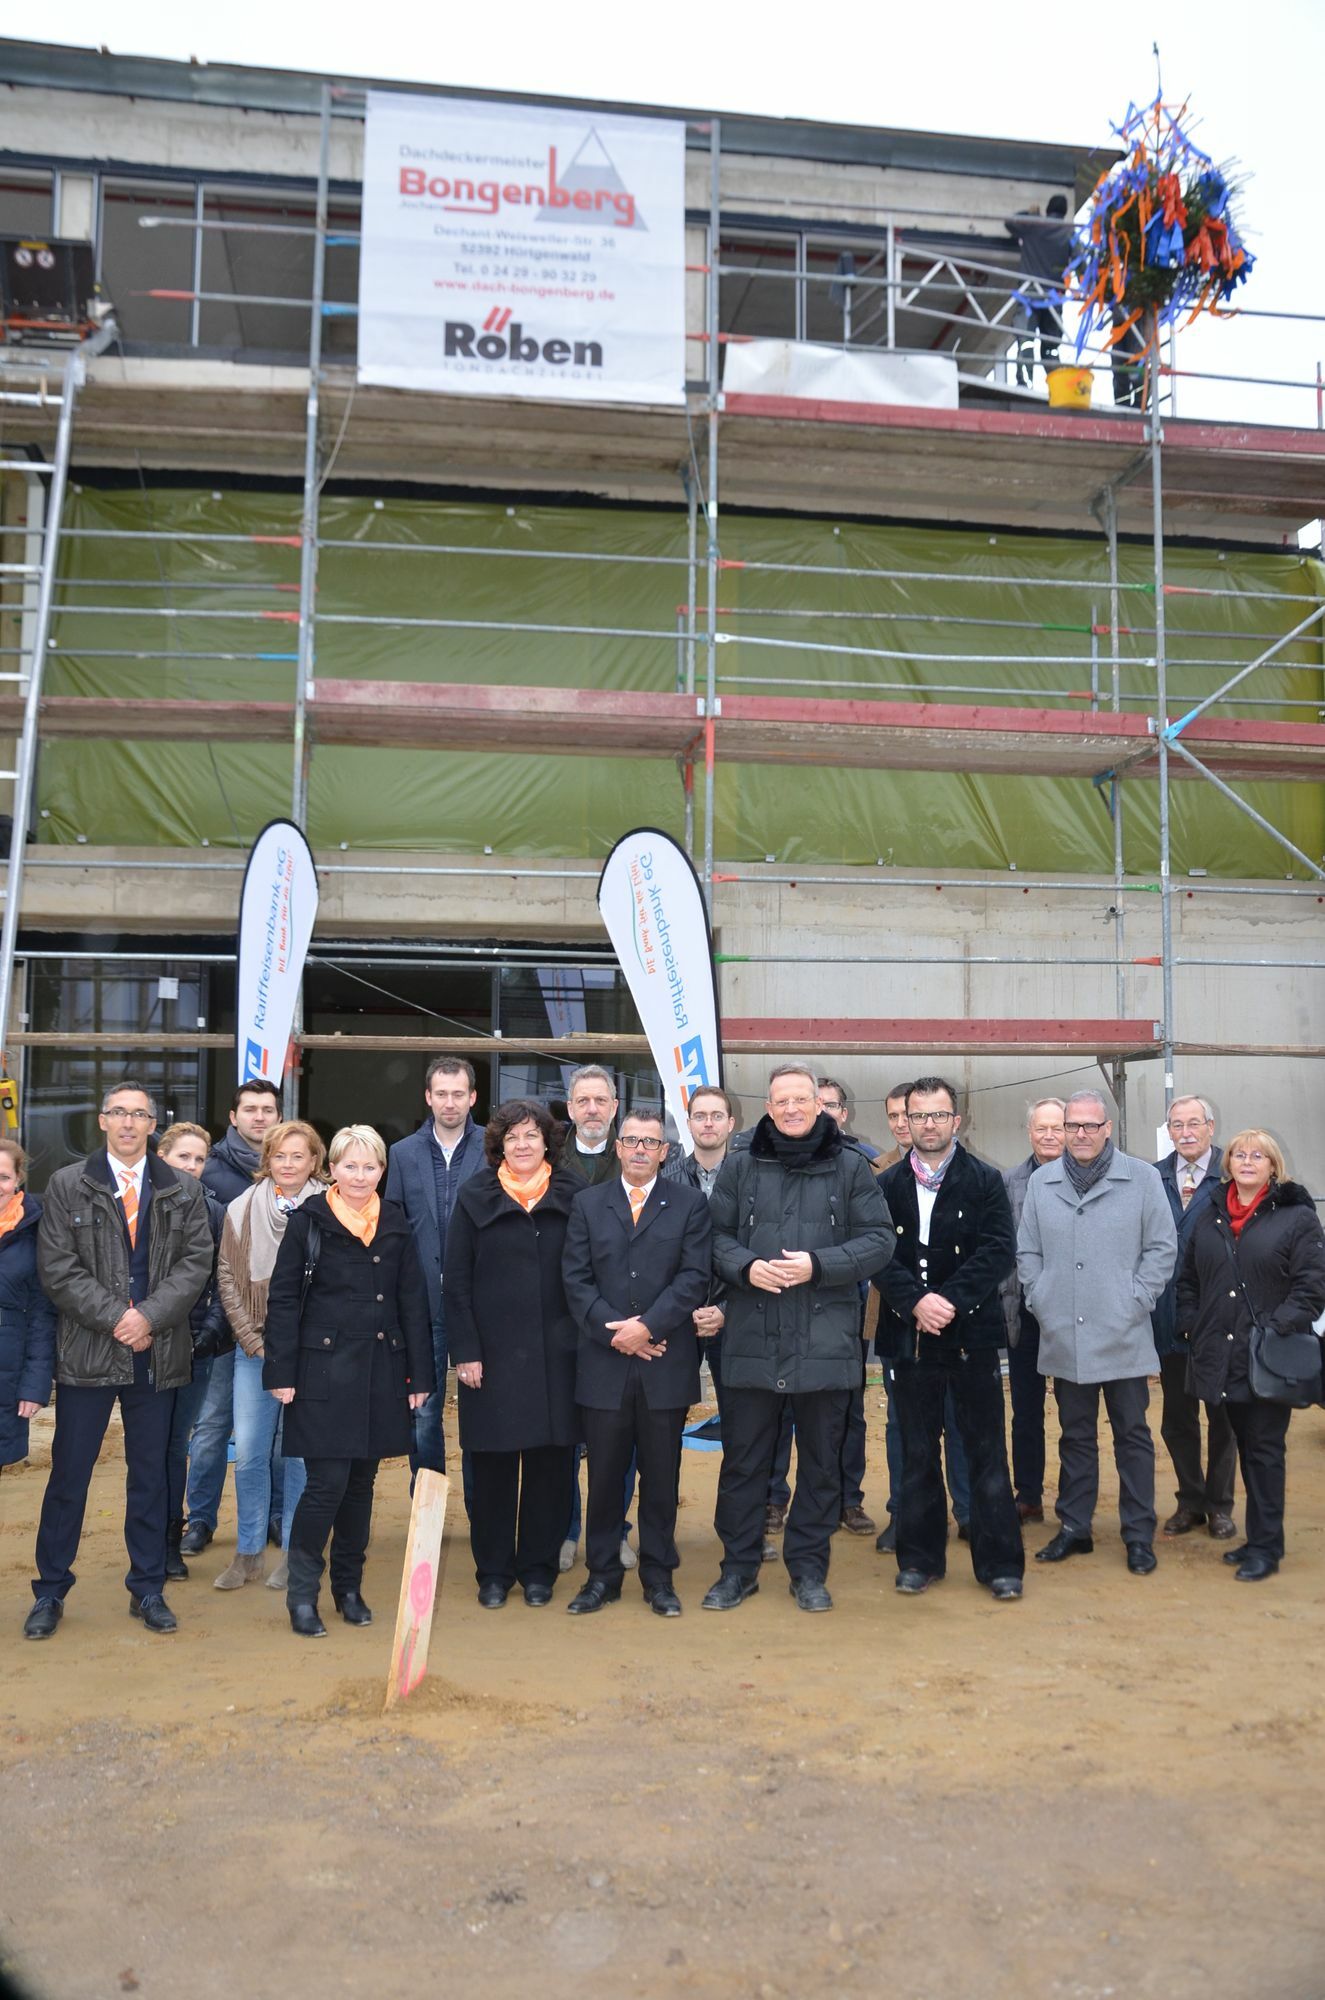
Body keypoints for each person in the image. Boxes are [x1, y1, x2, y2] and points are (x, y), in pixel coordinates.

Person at [25, 1080, 214, 1639]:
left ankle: (148, 1587)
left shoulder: (183, 1189)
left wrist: (148, 1317)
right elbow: (57, 1269)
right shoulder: (67, 1184)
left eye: (139, 1114)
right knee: (70, 1475)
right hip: (88, 1351)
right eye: (118, 1112)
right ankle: (50, 1590)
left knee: (151, 1476)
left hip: (156, 1353)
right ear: (102, 1120)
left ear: (154, 1125)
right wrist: (118, 1318)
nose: (128, 1123)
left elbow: (194, 1264)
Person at [704, 1064, 891, 1614]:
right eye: (781, 1100)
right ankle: (738, 1570)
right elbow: (712, 1236)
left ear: (819, 1105)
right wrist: (745, 1268)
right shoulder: (740, 1165)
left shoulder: (850, 1167)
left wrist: (819, 1265)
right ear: (768, 1107)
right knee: (744, 1464)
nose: (791, 1109)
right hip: (752, 1339)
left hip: (825, 1341)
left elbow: (879, 1240)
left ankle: (808, 1569)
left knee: (820, 1465)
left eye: (800, 1100)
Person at [263, 1124, 433, 1637]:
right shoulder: (308, 1221)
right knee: (326, 1486)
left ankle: (348, 1589)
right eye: (350, 1166)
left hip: (383, 1371)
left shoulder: (396, 1221)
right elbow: (283, 1299)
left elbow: (413, 1301)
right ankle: (301, 1596)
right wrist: (281, 1371)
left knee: (361, 1486)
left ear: (382, 1170)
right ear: (332, 1168)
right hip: (322, 1374)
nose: (360, 1176)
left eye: (370, 1166)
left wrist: (420, 1376)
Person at [874, 1077, 1024, 1601]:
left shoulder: (985, 1180)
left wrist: (949, 1302)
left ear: (956, 1121)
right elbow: (875, 1252)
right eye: (918, 1115)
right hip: (908, 1337)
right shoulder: (885, 1185)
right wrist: (915, 1301)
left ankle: (1000, 1564)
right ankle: (919, 1560)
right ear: (905, 1122)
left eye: (938, 1115)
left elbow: (998, 1250)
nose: (928, 1124)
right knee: (916, 1453)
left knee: (986, 1452)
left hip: (970, 1336)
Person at [1018, 1090, 1177, 1576]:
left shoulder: (1142, 1179)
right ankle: (1075, 1527)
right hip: (1065, 1334)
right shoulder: (1042, 1183)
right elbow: (1028, 1252)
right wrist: (1041, 1299)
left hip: (1124, 1333)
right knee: (1075, 1435)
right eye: (1073, 1126)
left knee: (1132, 1435)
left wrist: (1136, 1300)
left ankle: (1138, 1534)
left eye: (1091, 1125)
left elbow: (1162, 1248)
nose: (1081, 1134)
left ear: (1108, 1128)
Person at [562, 1106, 711, 1616]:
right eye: (631, 1141)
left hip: (664, 1362)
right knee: (604, 1477)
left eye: (651, 1142)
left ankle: (658, 1577)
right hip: (604, 1365)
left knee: (661, 1478)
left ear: (665, 1151)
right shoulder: (588, 1204)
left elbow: (694, 1277)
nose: (640, 1150)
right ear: (618, 1147)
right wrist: (619, 1335)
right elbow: (575, 1280)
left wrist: (647, 1328)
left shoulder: (689, 1204)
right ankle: (601, 1577)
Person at [444, 1099, 580, 1608]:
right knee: (493, 1470)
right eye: (512, 1137)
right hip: (491, 1358)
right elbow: (456, 1281)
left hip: (558, 1356)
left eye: (531, 1135)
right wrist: (466, 1351)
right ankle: (494, 1573)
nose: (522, 1145)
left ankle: (539, 1570)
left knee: (551, 1467)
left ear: (548, 1142)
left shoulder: (574, 1195)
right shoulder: (473, 1196)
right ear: (499, 1145)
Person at [1175, 1129, 1325, 1581]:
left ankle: (1266, 1547)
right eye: (1239, 1154)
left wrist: (1273, 1330)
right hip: (1220, 1356)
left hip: (1267, 1358)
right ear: (1228, 1164)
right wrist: (1191, 1322)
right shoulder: (1211, 1215)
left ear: (1273, 1166)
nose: (1246, 1161)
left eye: (1257, 1156)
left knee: (1264, 1451)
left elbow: (1311, 1288)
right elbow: (1189, 1279)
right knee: (1245, 1445)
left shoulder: (1297, 1218)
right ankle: (1259, 1539)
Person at [215, 1120, 327, 1593]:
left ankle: (296, 1554)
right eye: (279, 1156)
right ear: (267, 1160)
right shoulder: (241, 1208)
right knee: (250, 1453)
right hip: (255, 1351)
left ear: (314, 1161)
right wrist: (252, 1340)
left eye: (298, 1156)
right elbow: (226, 1277)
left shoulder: (332, 1208)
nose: (288, 1164)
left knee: (299, 1454)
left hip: (310, 1354)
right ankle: (248, 1553)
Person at [181, 1076, 283, 1556]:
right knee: (213, 1425)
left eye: (268, 1109)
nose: (259, 1117)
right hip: (221, 1322)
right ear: (233, 1117)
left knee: (276, 1432)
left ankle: (274, 1516)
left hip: (274, 1324)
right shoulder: (212, 1169)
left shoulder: (289, 1167)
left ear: (278, 1116)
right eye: (250, 1109)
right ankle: (200, 1518)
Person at [384, 1056, 485, 1483]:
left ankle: (481, 1506)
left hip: (478, 1304)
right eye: (441, 1094)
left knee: (482, 1412)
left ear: (472, 1097)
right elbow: (392, 1228)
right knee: (423, 1412)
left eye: (458, 1094)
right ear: (428, 1097)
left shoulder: (494, 1148)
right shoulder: (402, 1153)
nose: (449, 1103)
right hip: (420, 1303)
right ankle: (427, 1506)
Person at [557, 1064, 637, 1573]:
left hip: (621, 1322)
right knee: (565, 1434)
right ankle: (566, 1530)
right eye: (583, 1101)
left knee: (620, 1438)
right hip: (561, 1319)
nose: (592, 1110)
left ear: (614, 1107)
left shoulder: (634, 1156)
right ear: (570, 1108)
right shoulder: (547, 1159)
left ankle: (614, 1530)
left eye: (601, 1101)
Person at [1152, 1096, 1236, 1541]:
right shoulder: (1153, 1177)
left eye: (1193, 1123)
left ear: (1210, 1126)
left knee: (1223, 1417)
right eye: (1176, 1125)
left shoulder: (1232, 1174)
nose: (1185, 1132)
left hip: (1218, 1319)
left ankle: (1220, 1505)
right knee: (1177, 1417)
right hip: (1169, 1317)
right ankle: (1190, 1500)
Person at [154, 1122, 229, 1582]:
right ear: (162, 1156)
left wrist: (211, 1331)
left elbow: (223, 1277)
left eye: (200, 1159)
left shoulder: (214, 1211)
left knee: (175, 1442)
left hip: (195, 1349)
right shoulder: (140, 1205)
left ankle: (169, 1540)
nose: (192, 1166)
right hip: (145, 1344)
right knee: (151, 1446)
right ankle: (148, 1540)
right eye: (184, 1156)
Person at [999, 1098, 1067, 1524]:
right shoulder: (1008, 1183)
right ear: (1029, 1133)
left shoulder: (1085, 1179)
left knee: (1076, 1412)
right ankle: (1028, 1495)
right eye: (1041, 1128)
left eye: (1057, 1127)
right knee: (1025, 1411)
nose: (1049, 1136)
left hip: (1074, 1316)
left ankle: (1075, 1497)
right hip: (1023, 1314)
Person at [816, 1076, 876, 1536]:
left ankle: (849, 1499)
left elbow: (874, 1235)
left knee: (849, 1405)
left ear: (844, 1113)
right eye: (813, 1104)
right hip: (788, 1298)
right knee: (782, 1409)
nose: (822, 1113)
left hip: (847, 1301)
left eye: (830, 1105)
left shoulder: (863, 1163)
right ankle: (776, 1499)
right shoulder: (768, 1161)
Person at [662, 1085, 736, 1431]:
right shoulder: (665, 1181)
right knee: (666, 1422)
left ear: (730, 1123)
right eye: (700, 1116)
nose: (708, 1123)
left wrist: (726, 1309)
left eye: (716, 1116)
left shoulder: (750, 1179)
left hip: (734, 1316)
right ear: (688, 1123)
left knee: (743, 1427)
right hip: (678, 1319)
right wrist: (681, 1307)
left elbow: (759, 1249)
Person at [0, 1139, 55, 1482]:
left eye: (3, 1177)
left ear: (18, 1179)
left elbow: (42, 1314)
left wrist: (35, 1385)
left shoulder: (36, 1230)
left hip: (6, 1377)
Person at [1005, 194, 1074, 382]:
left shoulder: (1034, 225)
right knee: (1051, 347)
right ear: (1064, 212)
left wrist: (1029, 214)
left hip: (1030, 295)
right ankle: (1057, 387)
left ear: (1048, 208)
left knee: (1026, 342)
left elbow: (1009, 223)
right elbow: (1080, 261)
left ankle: (1024, 383)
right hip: (1053, 298)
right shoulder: (1069, 233)